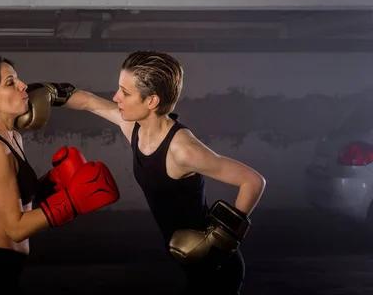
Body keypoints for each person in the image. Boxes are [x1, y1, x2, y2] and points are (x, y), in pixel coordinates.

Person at [15, 51, 266, 294]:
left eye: (125, 93)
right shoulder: (133, 126)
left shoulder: (183, 150)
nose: (116, 97)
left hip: (216, 267)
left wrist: (217, 240)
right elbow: (89, 101)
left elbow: (253, 181)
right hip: (187, 263)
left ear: (152, 101)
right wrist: (48, 92)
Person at [0, 55, 120, 294]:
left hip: (6, 268)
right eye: (10, 83)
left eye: (17, 79)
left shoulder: (13, 138)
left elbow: (15, 201)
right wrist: (72, 200)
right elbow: (15, 229)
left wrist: (54, 184)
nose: (23, 85)